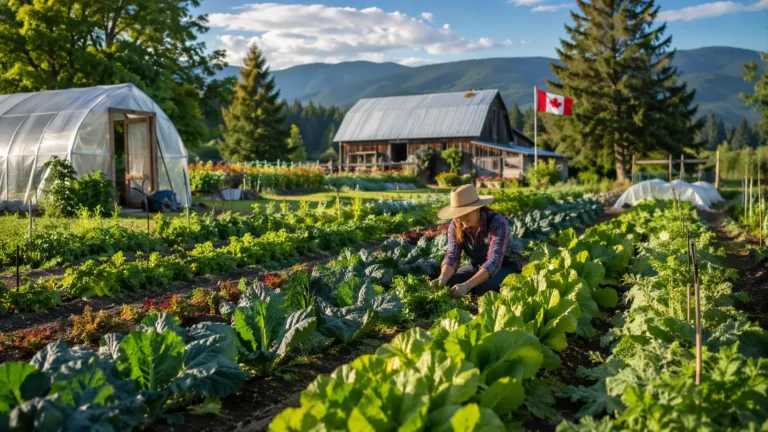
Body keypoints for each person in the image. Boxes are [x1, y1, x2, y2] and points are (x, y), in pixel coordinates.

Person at [431, 184, 521, 298]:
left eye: (466, 213)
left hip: (505, 266)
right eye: (458, 214)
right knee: (449, 284)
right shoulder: (456, 224)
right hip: (475, 266)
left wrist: (467, 285)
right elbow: (452, 255)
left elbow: (494, 261)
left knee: (484, 288)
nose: (461, 219)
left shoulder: (497, 222)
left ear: (477, 208)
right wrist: (442, 278)